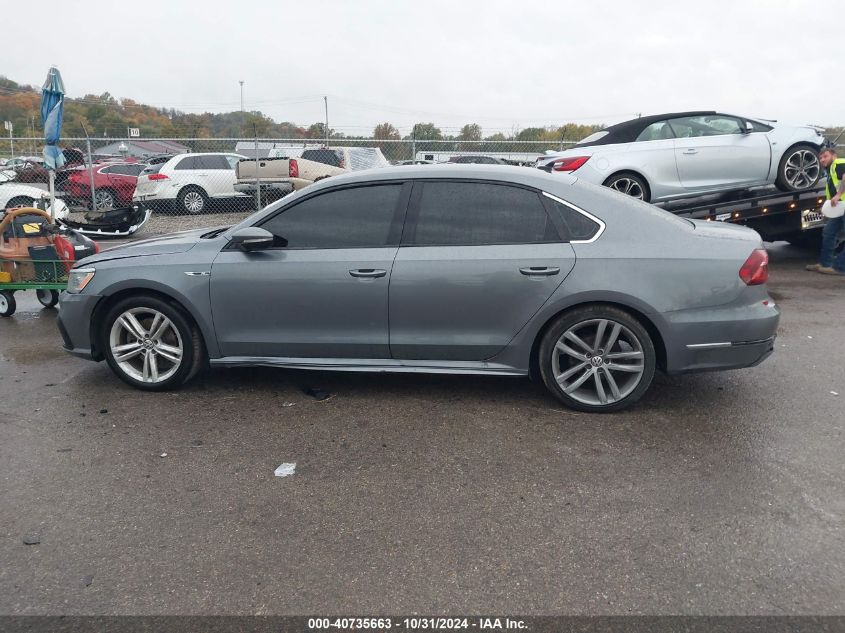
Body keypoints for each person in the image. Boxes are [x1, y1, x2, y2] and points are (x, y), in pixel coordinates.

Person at [806, 147, 845, 275]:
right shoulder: (830, 170)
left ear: (834, 155)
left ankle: (840, 268)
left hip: (842, 204)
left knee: (830, 233)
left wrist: (838, 195)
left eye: (825, 156)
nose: (822, 159)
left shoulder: (839, 163)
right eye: (821, 158)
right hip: (839, 207)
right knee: (829, 232)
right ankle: (825, 263)